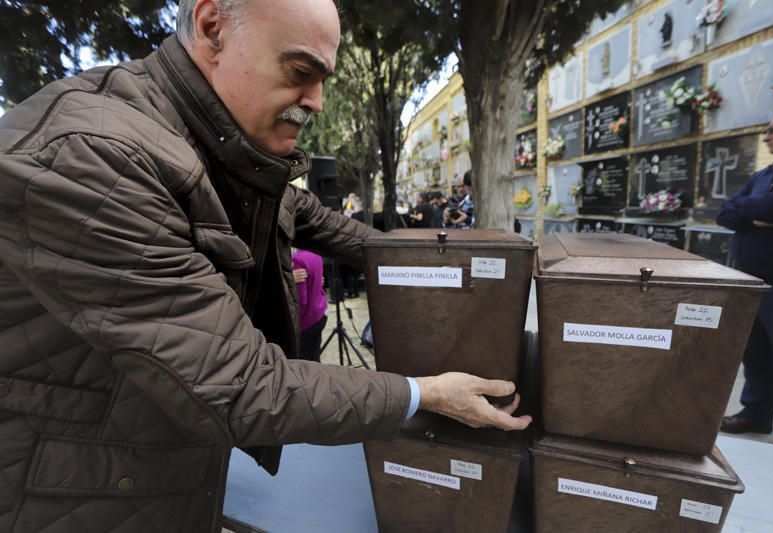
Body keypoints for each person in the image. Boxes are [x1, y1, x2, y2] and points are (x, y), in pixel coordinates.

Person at [0, 1, 531, 531]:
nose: (318, 102)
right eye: (301, 73)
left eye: (323, 79)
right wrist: (426, 392)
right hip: (69, 496)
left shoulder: (224, 151)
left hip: (155, 473)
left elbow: (344, 233)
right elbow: (240, 383)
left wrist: (462, 267)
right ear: (213, 28)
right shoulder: (93, 156)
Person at [717, 102, 773, 448]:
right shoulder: (767, 174)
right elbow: (725, 211)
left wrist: (753, 211)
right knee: (756, 354)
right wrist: (759, 214)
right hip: (752, 282)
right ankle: (756, 413)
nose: (766, 136)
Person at [292, 249, 328, 362]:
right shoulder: (315, 253)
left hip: (306, 319)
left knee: (306, 362)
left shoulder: (297, 259)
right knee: (314, 355)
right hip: (319, 312)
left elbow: (301, 300)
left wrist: (295, 322)